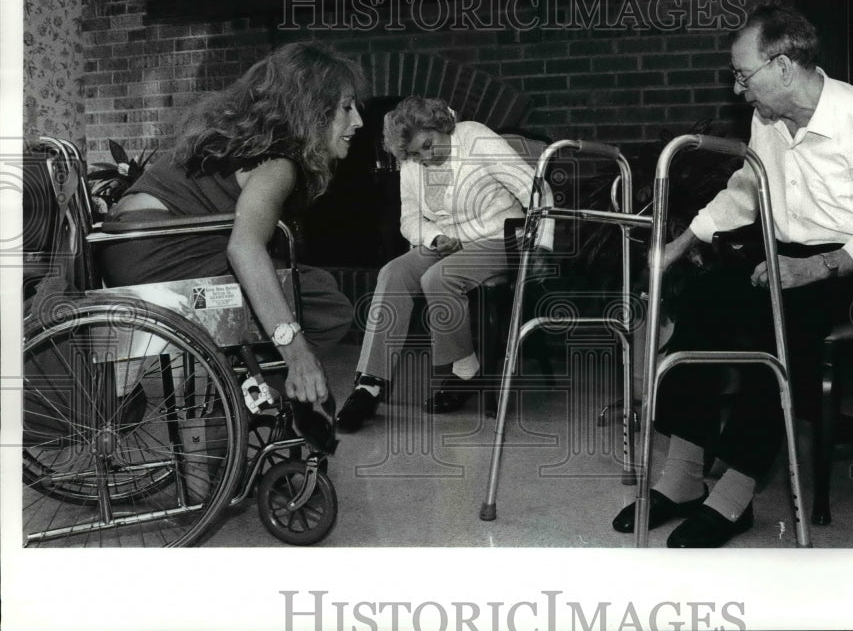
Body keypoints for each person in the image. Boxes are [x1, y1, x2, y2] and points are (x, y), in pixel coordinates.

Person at [611, 4, 853, 547]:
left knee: (779, 328)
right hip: (782, 257)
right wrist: (679, 244)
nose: (737, 89)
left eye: (742, 74)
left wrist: (812, 268)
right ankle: (682, 477)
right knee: (703, 302)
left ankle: (734, 494)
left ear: (782, 66)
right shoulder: (768, 120)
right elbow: (745, 192)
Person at [100, 42, 365, 408]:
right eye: (346, 107)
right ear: (313, 110)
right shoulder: (279, 165)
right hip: (157, 250)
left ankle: (244, 392)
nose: (358, 121)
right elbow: (244, 248)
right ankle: (253, 394)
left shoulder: (241, 142)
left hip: (124, 245)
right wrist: (298, 356)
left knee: (303, 289)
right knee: (325, 303)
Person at [335, 96, 552, 432]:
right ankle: (369, 385)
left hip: (500, 238)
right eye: (415, 156)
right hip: (448, 243)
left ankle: (463, 373)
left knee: (439, 277)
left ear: (440, 126)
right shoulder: (412, 163)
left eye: (428, 145)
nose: (425, 158)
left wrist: (543, 246)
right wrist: (434, 236)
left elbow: (537, 191)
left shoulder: (475, 138)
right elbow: (408, 220)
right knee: (393, 273)